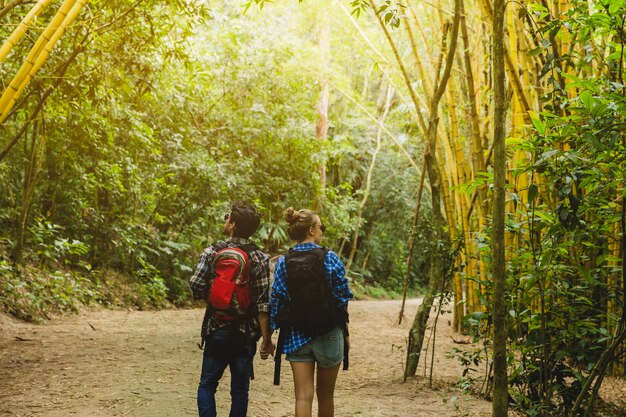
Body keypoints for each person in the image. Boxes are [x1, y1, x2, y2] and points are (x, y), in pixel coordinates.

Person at [190, 202, 275, 417]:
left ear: (233, 224)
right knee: (240, 391)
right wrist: (266, 339)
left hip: (216, 328)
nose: (225, 219)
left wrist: (216, 294)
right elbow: (263, 304)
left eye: (228, 217)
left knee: (207, 385)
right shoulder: (259, 257)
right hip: (244, 333)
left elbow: (196, 285)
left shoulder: (212, 251)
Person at [270, 207, 353, 417]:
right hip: (329, 333)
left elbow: (277, 299)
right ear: (311, 230)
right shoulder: (330, 258)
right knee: (326, 396)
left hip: (296, 335)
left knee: (302, 397)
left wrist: (268, 336)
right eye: (320, 226)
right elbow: (342, 296)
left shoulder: (283, 262)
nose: (321, 230)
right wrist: (345, 331)